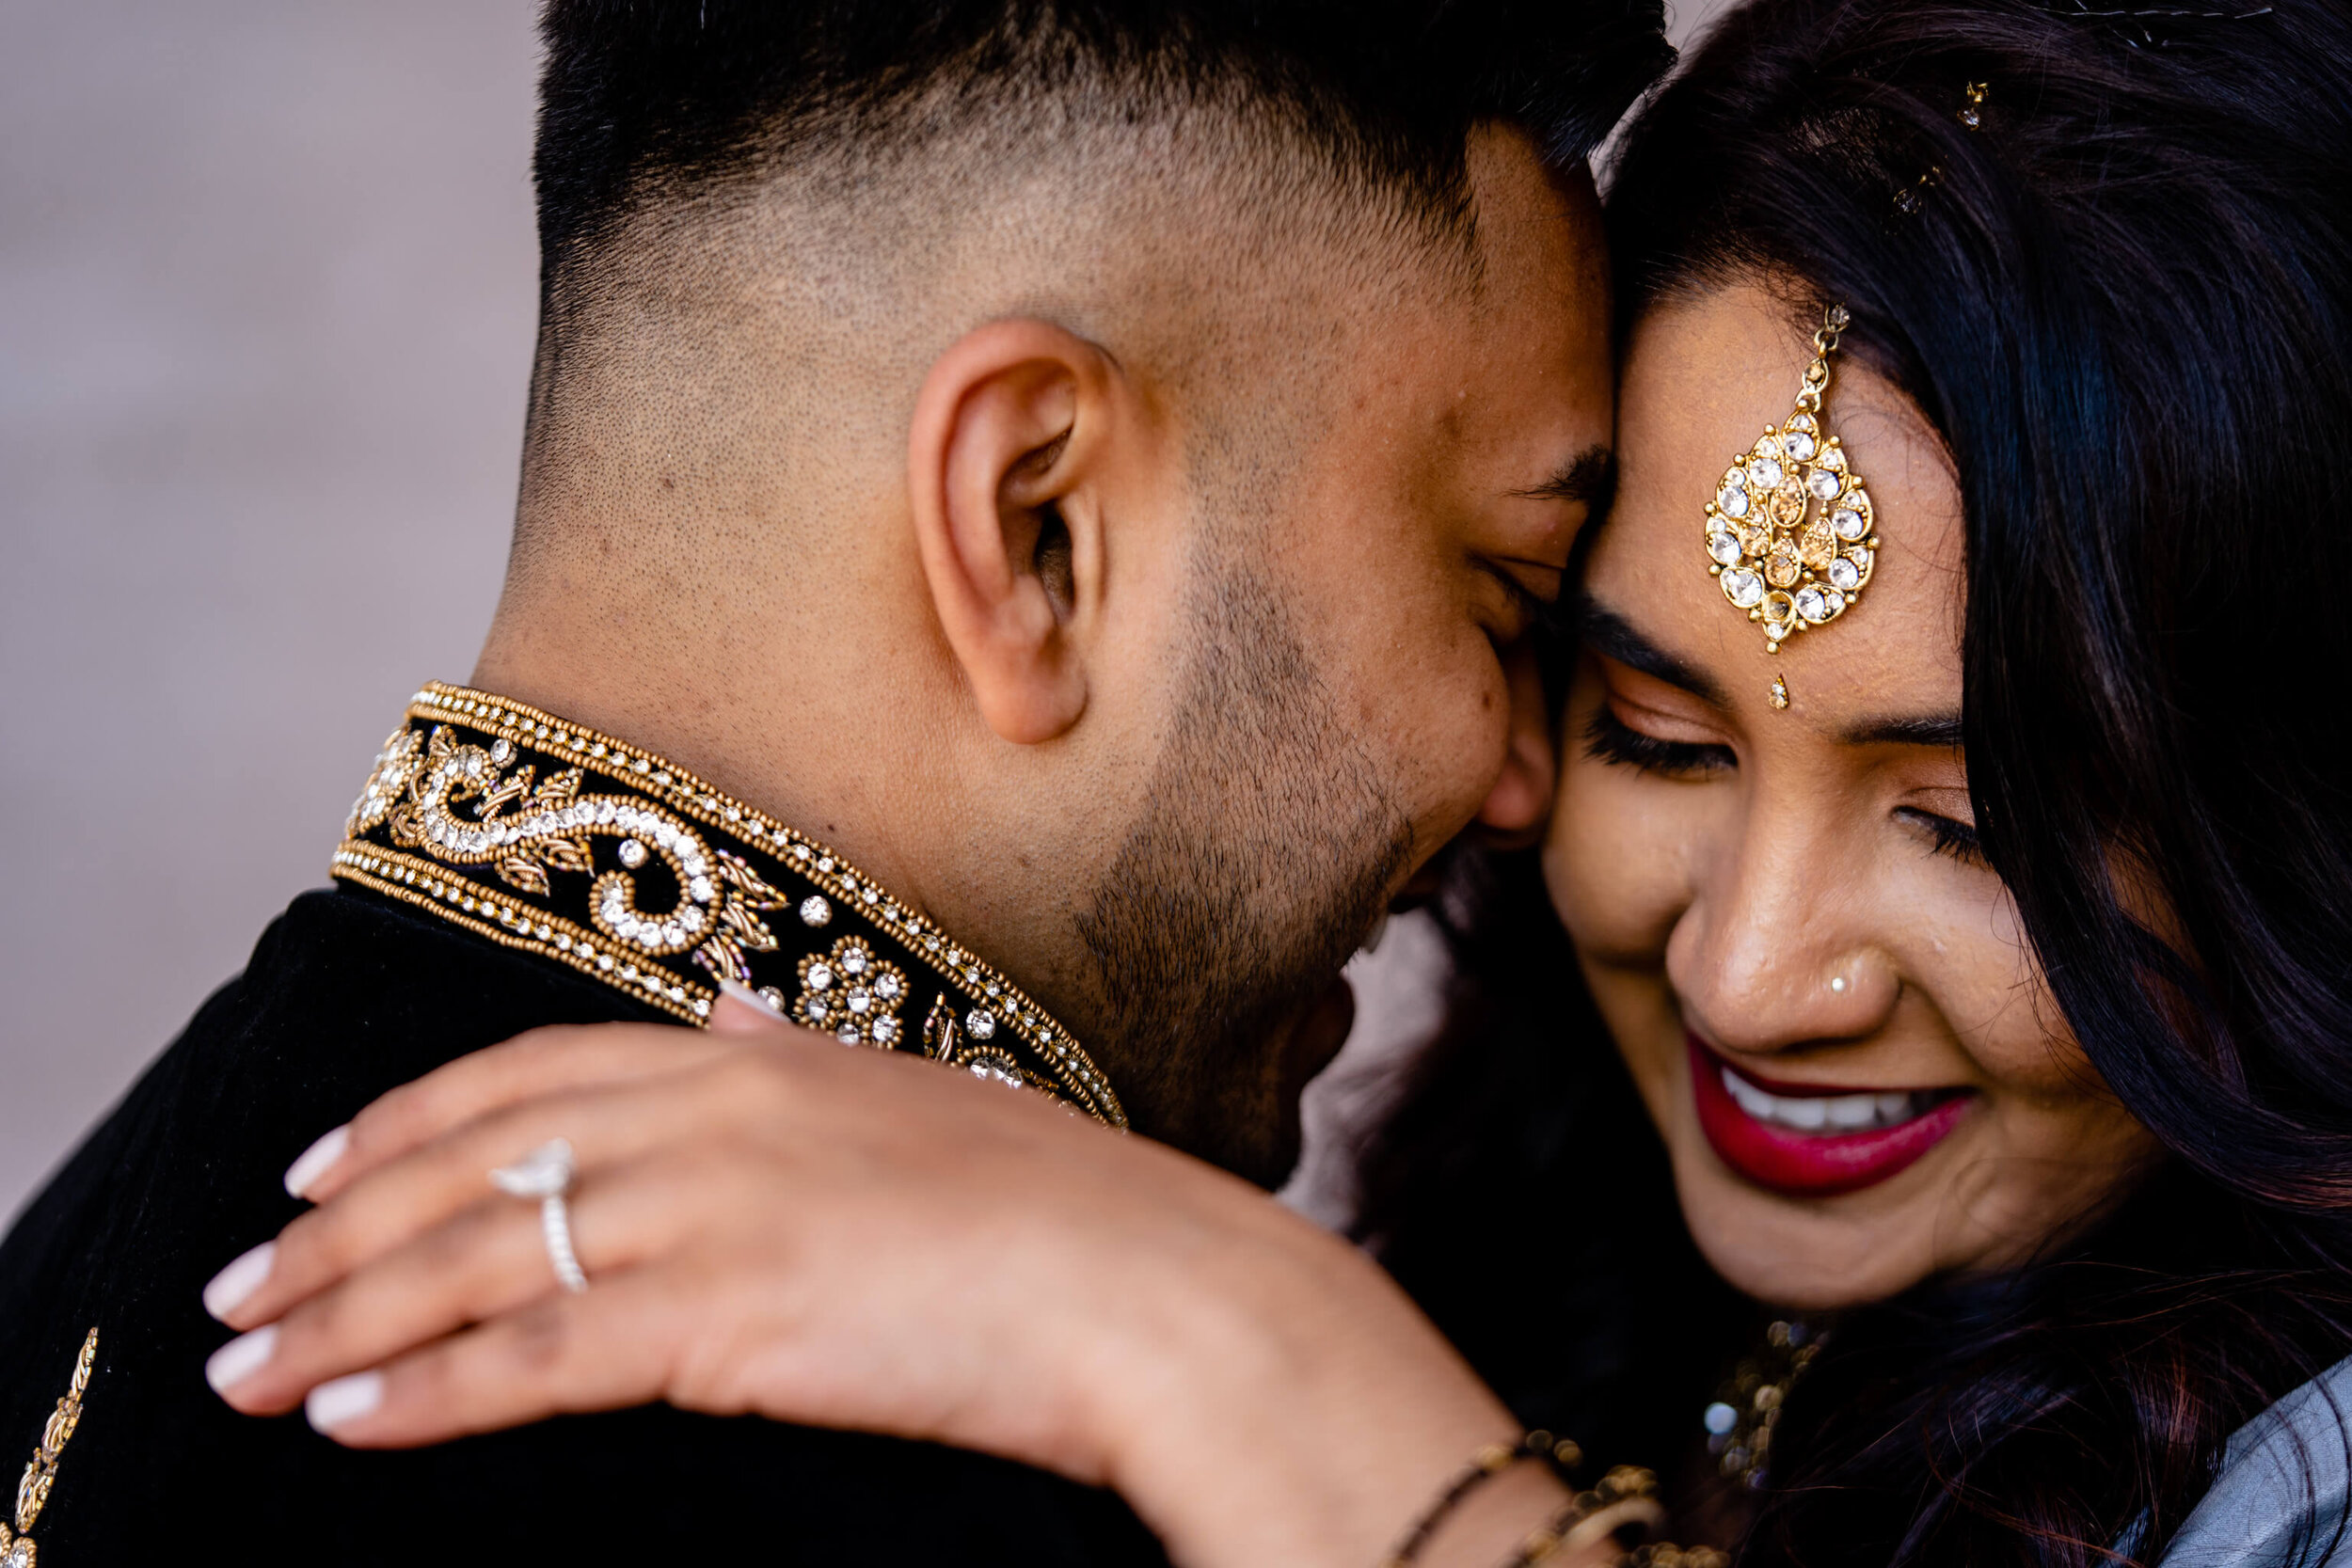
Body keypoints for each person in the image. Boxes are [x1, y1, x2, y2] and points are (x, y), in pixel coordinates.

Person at [185, 0, 2352, 1565]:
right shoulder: (1528, 1218)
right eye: (1643, 731)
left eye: (1967, 822)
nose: (1750, 971)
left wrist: (1232, 1351)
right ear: (1030, 527)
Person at [0, 2, 1671, 1560]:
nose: (1523, 779)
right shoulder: (956, 1493)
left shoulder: (97, 1237)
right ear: (1039, 534)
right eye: (1504, 592)